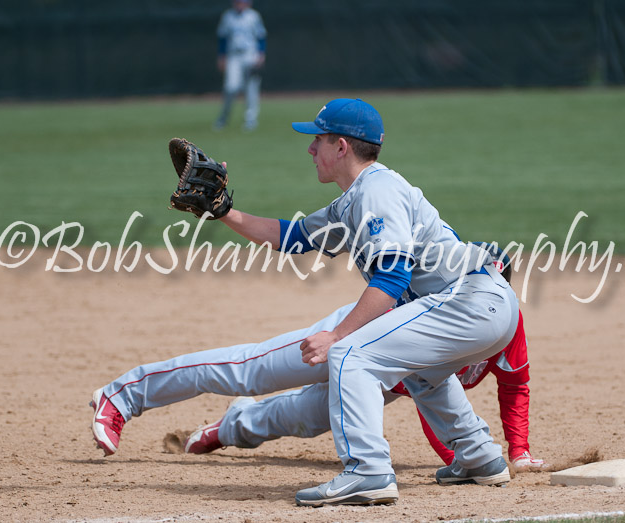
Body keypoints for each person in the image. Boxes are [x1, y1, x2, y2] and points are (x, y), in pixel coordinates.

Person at [91, 98, 520, 506]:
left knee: (350, 355)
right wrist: (223, 211)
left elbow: (392, 276)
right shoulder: (357, 198)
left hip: (468, 301)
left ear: (342, 145)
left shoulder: (379, 190)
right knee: (422, 370)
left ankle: (369, 473)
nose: (311, 147)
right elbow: (292, 237)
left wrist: (337, 335)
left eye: (318, 139)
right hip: (478, 307)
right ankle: (479, 456)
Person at [183, 306, 547, 473]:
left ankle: (234, 424)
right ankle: (232, 426)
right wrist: (457, 459)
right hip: (366, 349)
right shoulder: (444, 320)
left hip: (405, 378)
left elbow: (515, 389)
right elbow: (431, 397)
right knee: (307, 413)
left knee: (309, 417)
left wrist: (520, 451)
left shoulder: (506, 328)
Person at [213, 0, 266, 131]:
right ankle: (223, 118)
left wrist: (261, 54)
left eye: (243, 1)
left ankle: (250, 120)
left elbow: (261, 37)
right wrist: (221, 56)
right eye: (238, 1)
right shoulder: (228, 16)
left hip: (250, 55)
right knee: (231, 87)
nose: (240, 3)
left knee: (251, 88)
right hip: (233, 56)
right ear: (234, 2)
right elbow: (222, 38)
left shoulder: (253, 16)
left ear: (248, 2)